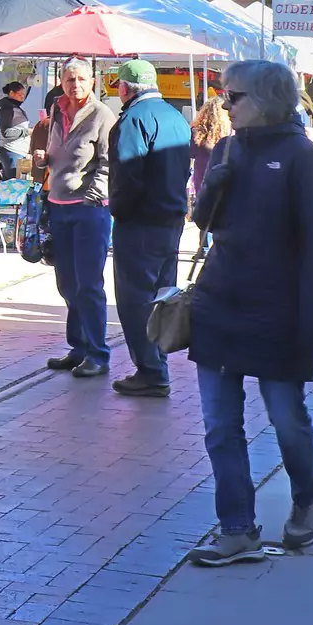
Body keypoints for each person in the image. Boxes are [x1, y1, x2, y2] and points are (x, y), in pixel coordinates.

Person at [186, 60, 313, 566]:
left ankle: (307, 495)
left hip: (278, 310)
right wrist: (214, 184)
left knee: (286, 417)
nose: (224, 105)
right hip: (220, 302)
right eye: (224, 96)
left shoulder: (302, 156)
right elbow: (202, 222)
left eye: (234, 97)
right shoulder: (228, 148)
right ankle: (237, 528)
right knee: (220, 425)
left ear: (267, 99)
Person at [106, 60, 190, 397]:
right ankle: (156, 365)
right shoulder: (174, 116)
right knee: (161, 294)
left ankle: (151, 370)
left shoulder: (132, 120)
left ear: (125, 89)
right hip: (171, 218)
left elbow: (127, 175)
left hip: (140, 222)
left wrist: (119, 210)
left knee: (136, 298)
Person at [37, 58, 114, 378]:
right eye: (70, 79)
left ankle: (97, 352)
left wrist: (91, 196)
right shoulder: (57, 109)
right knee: (67, 282)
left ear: (93, 81)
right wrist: (45, 158)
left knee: (88, 284)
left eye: (81, 79)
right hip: (58, 206)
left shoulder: (102, 115)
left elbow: (109, 163)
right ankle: (78, 346)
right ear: (61, 81)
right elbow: (61, 155)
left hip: (89, 210)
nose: (75, 85)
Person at [189, 95, 232, 197]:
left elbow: (190, 153)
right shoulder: (231, 133)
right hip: (225, 184)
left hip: (202, 183)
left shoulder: (198, 134)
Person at [0, 81, 31, 180]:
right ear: (11, 93)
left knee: (16, 185)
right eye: (20, 94)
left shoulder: (13, 108)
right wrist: (28, 132)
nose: (23, 97)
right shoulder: (7, 109)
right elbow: (6, 133)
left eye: (24, 94)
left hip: (17, 151)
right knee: (13, 186)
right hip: (11, 150)